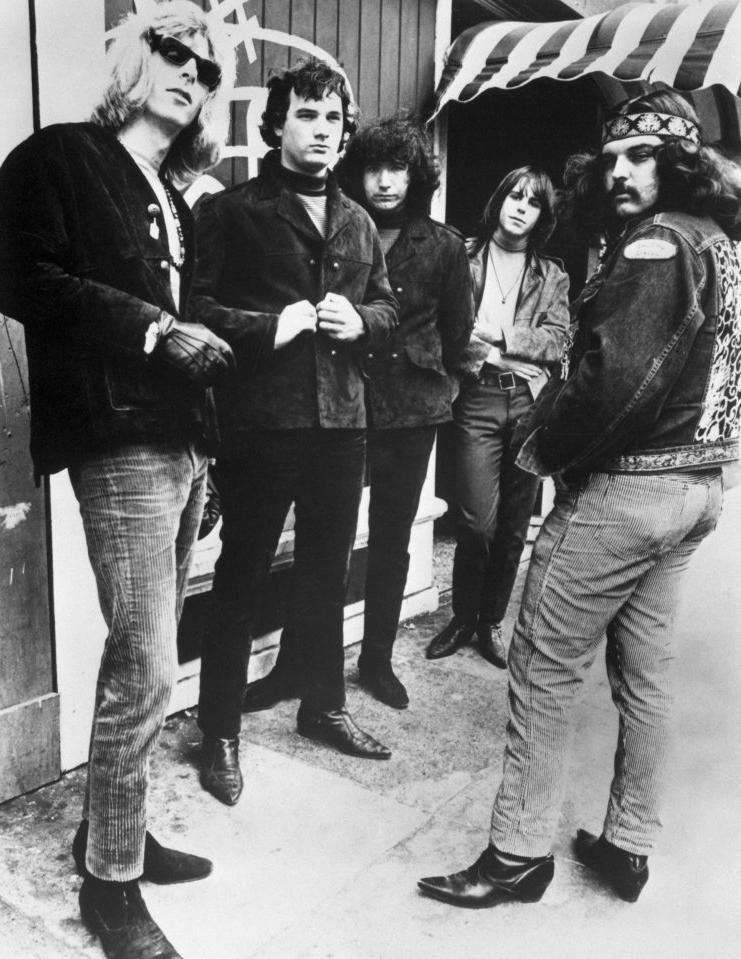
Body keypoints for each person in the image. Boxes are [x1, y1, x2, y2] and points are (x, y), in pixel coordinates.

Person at [417, 89, 741, 909]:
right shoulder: (723, 244)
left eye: (644, 156)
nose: (622, 170)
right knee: (646, 675)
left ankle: (516, 854)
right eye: (614, 156)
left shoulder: (657, 249)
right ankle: (629, 843)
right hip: (696, 490)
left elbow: (610, 388)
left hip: (628, 492)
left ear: (681, 163)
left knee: (542, 663)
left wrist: (541, 448)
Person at [0, 4, 235, 958]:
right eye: (173, 52)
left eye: (207, 67)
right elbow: (20, 275)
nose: (191, 72)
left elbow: (198, 332)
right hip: (118, 435)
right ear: (135, 59)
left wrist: (207, 453)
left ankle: (113, 826)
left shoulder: (173, 190)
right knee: (146, 656)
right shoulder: (61, 156)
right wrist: (150, 325)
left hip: (177, 439)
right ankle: (111, 883)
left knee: (146, 652)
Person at [191, 57, 398, 805]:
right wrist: (268, 327)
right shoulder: (232, 211)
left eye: (333, 119)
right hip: (263, 424)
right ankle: (218, 730)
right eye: (306, 115)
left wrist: (362, 320)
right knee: (241, 575)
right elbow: (198, 311)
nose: (321, 130)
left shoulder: (358, 219)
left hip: (341, 424)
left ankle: (324, 705)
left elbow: (387, 310)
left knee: (325, 569)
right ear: (273, 125)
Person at [243, 114, 474, 712]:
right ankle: (294, 665)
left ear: (417, 174)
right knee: (324, 542)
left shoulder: (445, 246)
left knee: (393, 537)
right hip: (338, 406)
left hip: (410, 411)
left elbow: (458, 333)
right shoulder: (341, 228)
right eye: (372, 167)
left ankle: (375, 662)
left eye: (397, 168)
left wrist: (429, 382)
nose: (384, 181)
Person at [425, 167, 569, 669]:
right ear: (498, 200)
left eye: (532, 202)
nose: (520, 207)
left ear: (541, 217)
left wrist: (504, 338)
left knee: (513, 527)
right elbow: (446, 328)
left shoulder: (552, 275)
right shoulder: (460, 258)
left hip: (529, 403)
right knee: (477, 522)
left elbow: (558, 339)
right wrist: (489, 356)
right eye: (514, 195)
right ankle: (461, 616)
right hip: (478, 399)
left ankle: (488, 622)